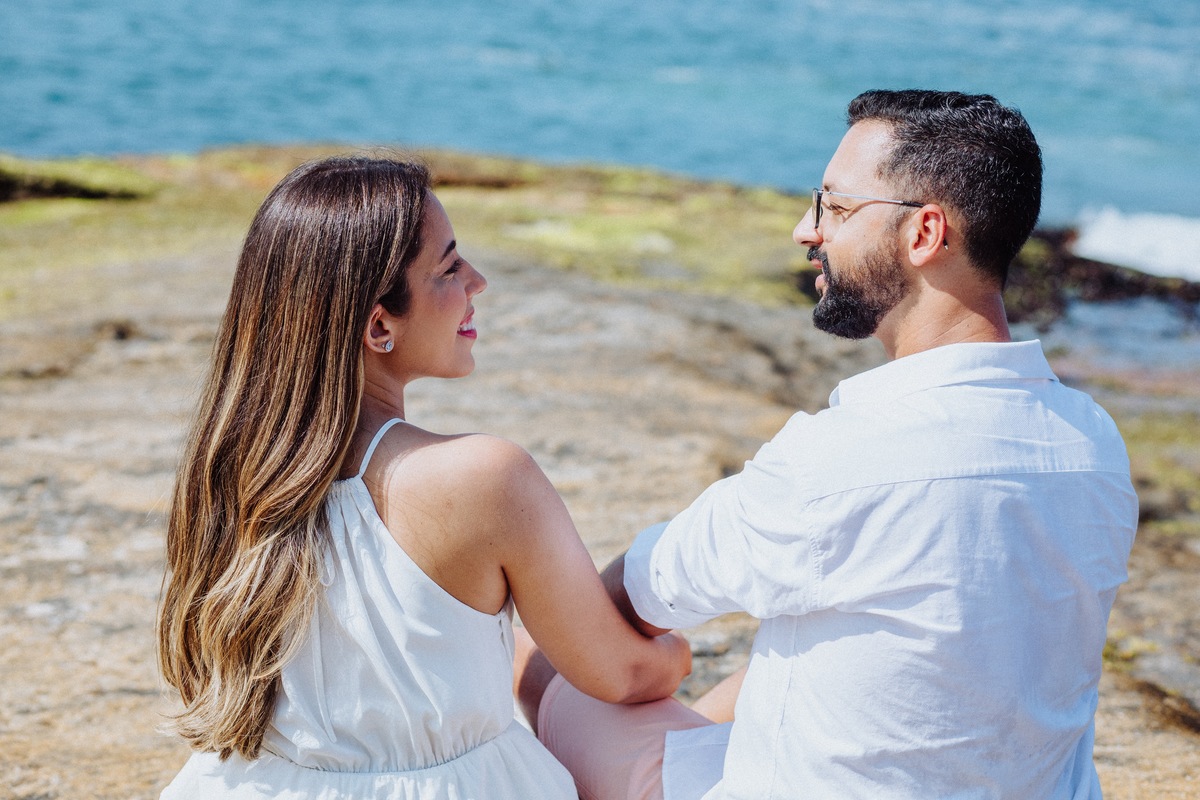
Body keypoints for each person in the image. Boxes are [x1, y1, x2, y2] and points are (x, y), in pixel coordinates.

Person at [519, 90, 1139, 799]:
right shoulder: (1094, 441)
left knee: (539, 655)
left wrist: (649, 667)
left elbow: (617, 602)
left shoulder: (840, 460)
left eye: (835, 208)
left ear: (925, 232)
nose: (804, 230)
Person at [156, 155, 691, 799]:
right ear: (379, 324)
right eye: (450, 268)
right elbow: (622, 676)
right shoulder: (482, 477)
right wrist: (674, 654)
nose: (478, 282)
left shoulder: (227, 473)